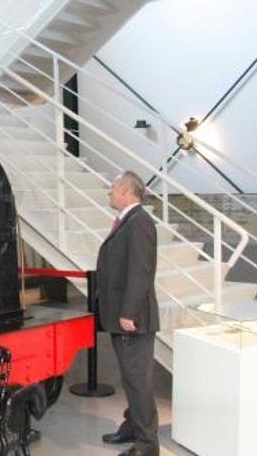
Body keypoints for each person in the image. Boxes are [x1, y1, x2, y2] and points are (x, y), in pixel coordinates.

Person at [95, 171, 160, 456]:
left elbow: (141, 271)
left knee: (138, 381)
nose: (109, 193)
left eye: (112, 188)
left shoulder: (140, 223)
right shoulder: (129, 221)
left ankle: (147, 445)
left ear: (125, 191)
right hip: (122, 316)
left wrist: (129, 312)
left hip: (132, 318)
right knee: (131, 379)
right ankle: (133, 426)